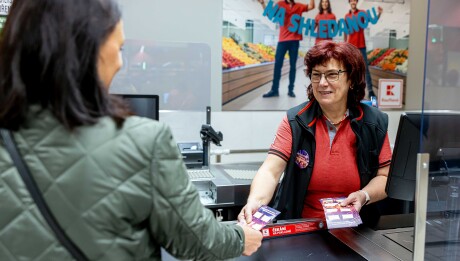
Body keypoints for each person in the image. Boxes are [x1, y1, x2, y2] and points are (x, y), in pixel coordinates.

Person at [0, 0, 262, 260]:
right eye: (120, 49)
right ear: (90, 52)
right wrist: (241, 237)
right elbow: (198, 240)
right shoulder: (145, 142)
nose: (120, 63)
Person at [238, 41, 392, 227]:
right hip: (302, 230)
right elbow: (271, 171)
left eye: (332, 75)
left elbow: (385, 176)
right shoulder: (296, 120)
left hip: (357, 232)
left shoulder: (373, 123)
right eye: (316, 75)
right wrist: (256, 201)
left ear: (351, 79)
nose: (322, 83)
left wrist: (364, 195)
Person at [259, 0, 315, 98]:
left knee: (292, 66)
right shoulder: (280, 4)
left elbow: (311, 6)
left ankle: (291, 90)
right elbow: (270, 15)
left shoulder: (299, 6)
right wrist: (262, 4)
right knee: (277, 65)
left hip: (294, 40)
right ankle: (274, 90)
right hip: (282, 40)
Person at [344, 0, 382, 99]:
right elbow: (345, 31)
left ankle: (370, 91)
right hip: (350, 47)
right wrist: (344, 44)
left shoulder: (362, 13)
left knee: (365, 69)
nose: (353, 2)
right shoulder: (347, 16)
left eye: (355, 0)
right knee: (350, 70)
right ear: (349, 2)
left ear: (356, 2)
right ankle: (350, 90)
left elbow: (373, 20)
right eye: (351, 0)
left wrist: (379, 14)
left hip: (361, 46)